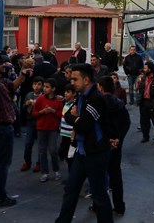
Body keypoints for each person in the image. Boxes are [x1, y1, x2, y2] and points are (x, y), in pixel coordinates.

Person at [55, 63, 113, 223]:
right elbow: (67, 115)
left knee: (99, 194)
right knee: (71, 190)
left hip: (96, 154)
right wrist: (76, 117)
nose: (71, 82)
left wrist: (76, 118)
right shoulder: (82, 96)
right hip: (82, 152)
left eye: (75, 79)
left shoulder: (96, 99)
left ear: (86, 80)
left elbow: (83, 125)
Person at [0, 51, 30, 208]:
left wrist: (22, 74)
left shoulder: (1, 80)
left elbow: (13, 85)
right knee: (1, 164)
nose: (6, 64)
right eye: (2, 63)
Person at [96, 75, 131, 216]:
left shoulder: (98, 104)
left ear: (101, 87)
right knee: (115, 176)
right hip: (117, 144)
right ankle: (119, 206)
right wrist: (118, 139)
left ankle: (99, 205)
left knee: (99, 177)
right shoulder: (119, 104)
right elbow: (126, 123)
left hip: (102, 144)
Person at [33, 78, 64, 182]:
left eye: (47, 87)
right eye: (44, 86)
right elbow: (34, 113)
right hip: (41, 128)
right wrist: (42, 112)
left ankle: (56, 170)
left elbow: (61, 115)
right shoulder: (40, 99)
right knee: (42, 151)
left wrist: (52, 111)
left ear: (53, 89)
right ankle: (44, 172)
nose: (44, 89)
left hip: (52, 129)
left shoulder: (58, 101)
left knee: (53, 150)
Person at [21, 76, 42, 172]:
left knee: (41, 144)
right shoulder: (29, 95)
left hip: (41, 122)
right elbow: (23, 107)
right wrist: (27, 104)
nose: (36, 86)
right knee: (28, 143)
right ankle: (27, 162)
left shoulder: (43, 96)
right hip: (30, 122)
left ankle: (39, 163)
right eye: (35, 84)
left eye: (39, 84)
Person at [58, 84, 76, 171]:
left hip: (70, 135)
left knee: (70, 157)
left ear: (74, 94)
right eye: (65, 92)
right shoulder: (65, 103)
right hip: (64, 134)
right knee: (66, 155)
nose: (65, 94)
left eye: (68, 92)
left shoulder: (74, 106)